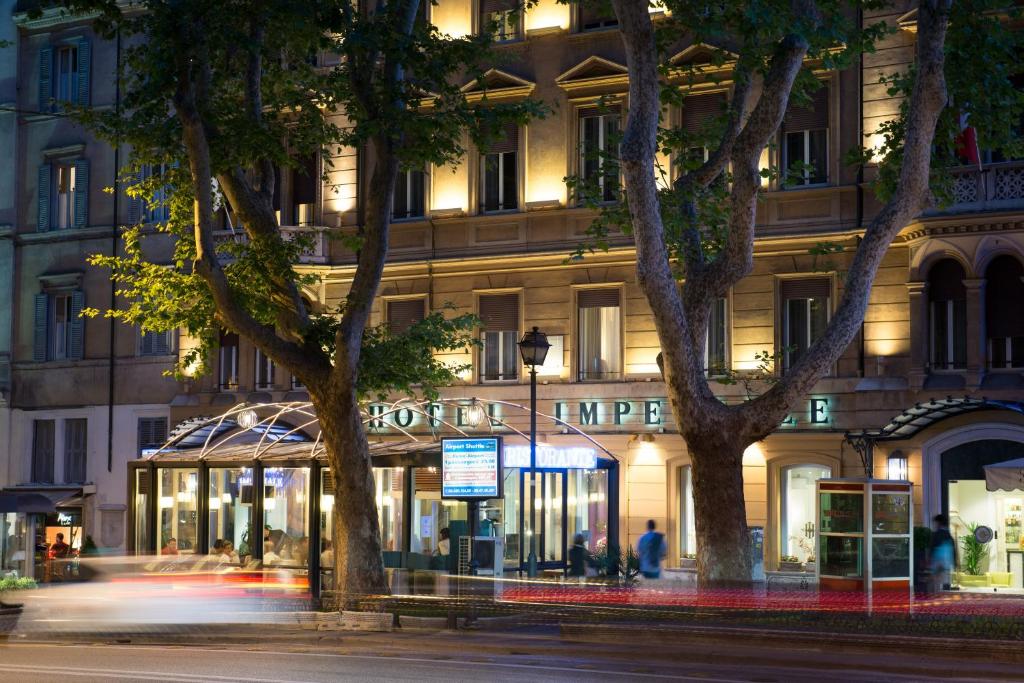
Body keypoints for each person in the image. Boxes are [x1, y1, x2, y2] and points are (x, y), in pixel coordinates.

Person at [929, 514, 956, 593]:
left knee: (935, 577)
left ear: (939, 523)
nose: (935, 524)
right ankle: (935, 593)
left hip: (938, 558)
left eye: (935, 523)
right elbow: (952, 547)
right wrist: (954, 562)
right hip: (946, 559)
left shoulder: (938, 533)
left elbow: (933, 545)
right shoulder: (948, 534)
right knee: (938, 577)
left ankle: (933, 593)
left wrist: (929, 557)